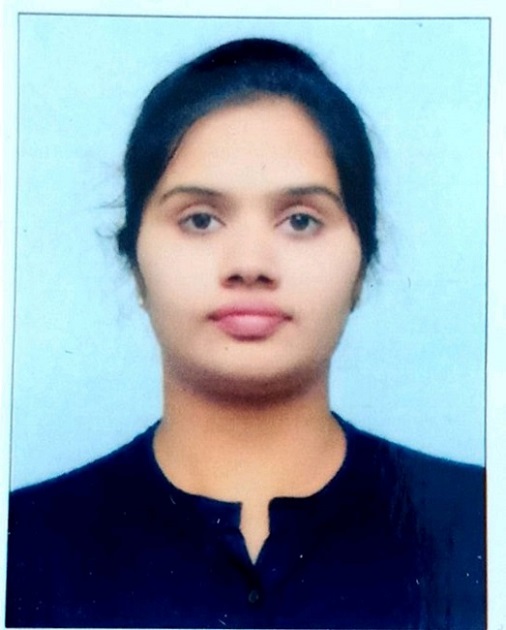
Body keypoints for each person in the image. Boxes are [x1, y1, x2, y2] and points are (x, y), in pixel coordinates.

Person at [6, 37, 485, 629]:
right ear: (135, 264)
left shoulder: (481, 526)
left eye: (300, 220)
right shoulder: (21, 547)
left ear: (363, 264)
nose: (250, 264)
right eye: (200, 219)